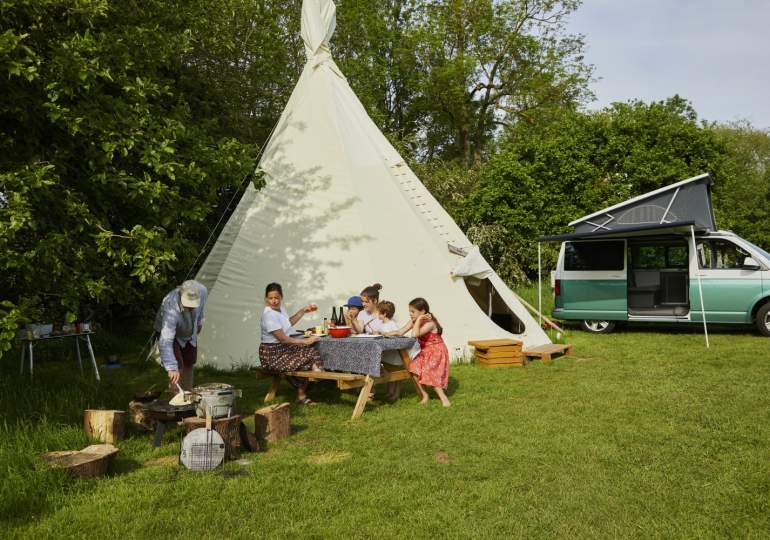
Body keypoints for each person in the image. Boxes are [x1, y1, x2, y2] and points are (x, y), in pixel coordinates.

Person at [258, 282, 323, 404]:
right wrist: (306, 341)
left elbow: (288, 323)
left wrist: (303, 311)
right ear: (266, 299)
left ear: (281, 297)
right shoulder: (269, 315)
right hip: (271, 354)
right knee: (307, 358)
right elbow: (283, 339)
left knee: (311, 352)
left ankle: (309, 384)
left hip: (284, 349)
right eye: (270, 298)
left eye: (276, 298)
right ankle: (308, 387)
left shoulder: (280, 309)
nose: (274, 301)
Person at [390, 297, 451, 407]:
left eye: (413, 311)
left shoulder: (430, 323)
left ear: (422, 311)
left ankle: (444, 399)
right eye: (409, 311)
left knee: (430, 372)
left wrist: (418, 320)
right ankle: (425, 395)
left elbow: (415, 334)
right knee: (413, 369)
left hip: (437, 351)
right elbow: (401, 331)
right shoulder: (414, 321)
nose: (410, 314)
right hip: (425, 351)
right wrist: (386, 333)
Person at [154, 280, 208, 392]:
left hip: (189, 330)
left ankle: (188, 394)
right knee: (177, 367)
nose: (191, 308)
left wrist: (199, 323)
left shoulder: (202, 291)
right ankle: (175, 399)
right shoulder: (170, 307)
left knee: (189, 360)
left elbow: (200, 310)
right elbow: (166, 340)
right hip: (170, 334)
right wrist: (171, 367)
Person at [374, 300, 403, 402]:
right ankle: (390, 392)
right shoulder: (382, 324)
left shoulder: (392, 324)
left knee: (397, 376)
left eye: (378, 312)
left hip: (395, 356)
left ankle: (396, 394)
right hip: (387, 356)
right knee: (390, 374)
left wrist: (387, 334)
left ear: (384, 313)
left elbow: (397, 335)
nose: (377, 314)